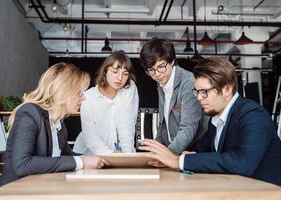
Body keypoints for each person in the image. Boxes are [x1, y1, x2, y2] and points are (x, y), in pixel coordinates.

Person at [139, 57, 281, 185]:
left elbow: (244, 163)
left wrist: (178, 161)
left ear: (226, 89)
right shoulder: (216, 119)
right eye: (197, 92)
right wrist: (173, 157)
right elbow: (201, 151)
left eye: (204, 92)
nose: (199, 98)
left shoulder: (253, 115)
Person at [0, 63, 110, 186]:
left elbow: (68, 156)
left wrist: (100, 160)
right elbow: (22, 165)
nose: (83, 98)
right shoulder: (29, 113)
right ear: (62, 92)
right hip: (14, 193)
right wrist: (82, 162)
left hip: (40, 190)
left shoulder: (59, 125)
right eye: (79, 93)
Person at [139, 38, 208, 154]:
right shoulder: (162, 81)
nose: (157, 74)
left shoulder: (189, 84)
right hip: (173, 149)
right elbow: (164, 125)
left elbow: (188, 127)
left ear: (172, 61)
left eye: (161, 66)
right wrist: (154, 152)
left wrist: (167, 154)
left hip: (191, 151)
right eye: (151, 70)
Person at [73, 50, 139, 155]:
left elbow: (127, 125)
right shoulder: (88, 97)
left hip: (117, 155)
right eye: (115, 72)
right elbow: (90, 135)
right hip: (88, 154)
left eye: (125, 74)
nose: (120, 78)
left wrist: (128, 156)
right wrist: (110, 156)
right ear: (105, 71)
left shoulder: (129, 88)